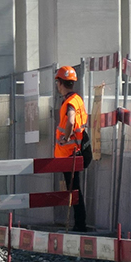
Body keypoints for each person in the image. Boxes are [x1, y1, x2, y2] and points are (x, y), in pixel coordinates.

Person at [53, 65, 90, 233]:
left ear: (60, 83)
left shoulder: (70, 103)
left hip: (68, 154)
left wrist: (65, 138)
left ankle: (80, 225)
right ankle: (79, 223)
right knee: (74, 190)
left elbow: (71, 120)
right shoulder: (77, 99)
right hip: (74, 152)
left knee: (73, 190)